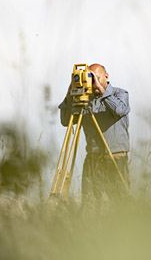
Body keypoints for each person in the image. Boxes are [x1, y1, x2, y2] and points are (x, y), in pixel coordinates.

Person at [59, 63, 130, 200]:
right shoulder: (85, 99)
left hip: (115, 159)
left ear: (106, 76)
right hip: (93, 159)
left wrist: (102, 91)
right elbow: (66, 121)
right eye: (89, 79)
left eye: (95, 78)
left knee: (121, 203)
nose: (92, 83)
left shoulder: (120, 93)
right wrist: (69, 96)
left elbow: (120, 110)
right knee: (90, 202)